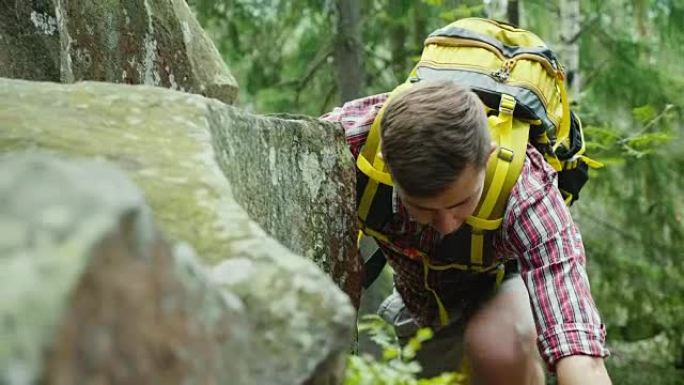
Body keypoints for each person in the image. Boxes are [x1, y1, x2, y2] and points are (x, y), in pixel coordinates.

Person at [321, 80, 612, 385]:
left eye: (462, 202)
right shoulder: (350, 142)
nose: (447, 225)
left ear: (488, 156)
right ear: (387, 164)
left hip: (499, 281)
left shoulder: (526, 192)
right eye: (423, 209)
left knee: (499, 347)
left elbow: (578, 347)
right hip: (421, 305)